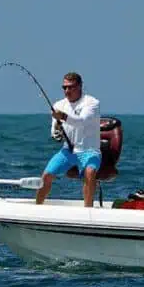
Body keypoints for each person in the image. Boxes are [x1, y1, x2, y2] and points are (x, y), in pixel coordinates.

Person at [35, 72, 101, 206]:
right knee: (46, 175)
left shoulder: (92, 103)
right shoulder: (58, 105)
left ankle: (88, 211)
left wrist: (63, 117)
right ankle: (37, 207)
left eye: (71, 87)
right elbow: (54, 131)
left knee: (90, 172)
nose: (67, 91)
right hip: (68, 151)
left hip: (89, 150)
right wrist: (56, 132)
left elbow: (82, 121)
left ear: (80, 86)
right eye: (64, 87)